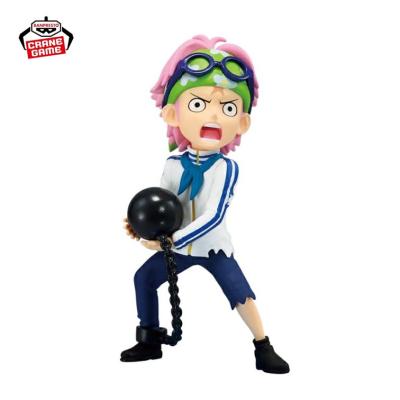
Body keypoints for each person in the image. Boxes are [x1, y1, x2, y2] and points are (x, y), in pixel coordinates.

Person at [120, 35, 289, 374]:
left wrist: (171, 240)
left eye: (228, 109)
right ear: (172, 114)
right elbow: (164, 202)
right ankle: (150, 339)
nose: (213, 115)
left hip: (212, 247)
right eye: (198, 105)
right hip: (176, 248)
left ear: (242, 122)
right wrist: (142, 228)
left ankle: (263, 345)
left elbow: (214, 215)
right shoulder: (173, 164)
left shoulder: (225, 168)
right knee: (144, 278)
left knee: (240, 293)